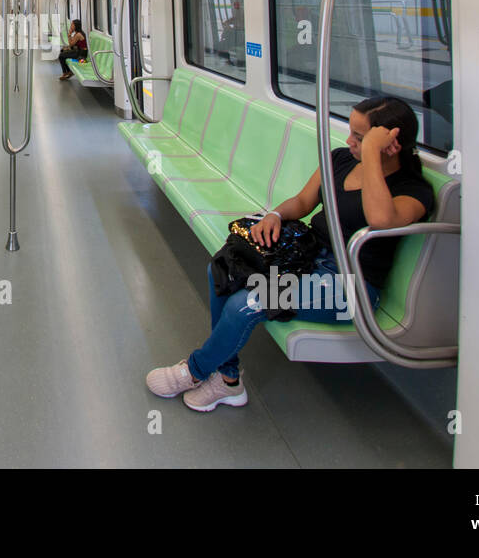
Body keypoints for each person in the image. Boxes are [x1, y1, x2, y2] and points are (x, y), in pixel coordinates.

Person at [146, 96, 435, 411]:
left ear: (390, 143)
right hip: (307, 257)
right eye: (351, 133)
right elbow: (303, 202)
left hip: (350, 288)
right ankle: (228, 380)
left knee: (249, 301)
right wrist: (275, 216)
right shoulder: (340, 160)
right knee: (225, 270)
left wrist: (371, 157)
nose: (350, 142)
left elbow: (380, 219)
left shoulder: (414, 191)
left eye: (361, 138)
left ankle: (194, 371)